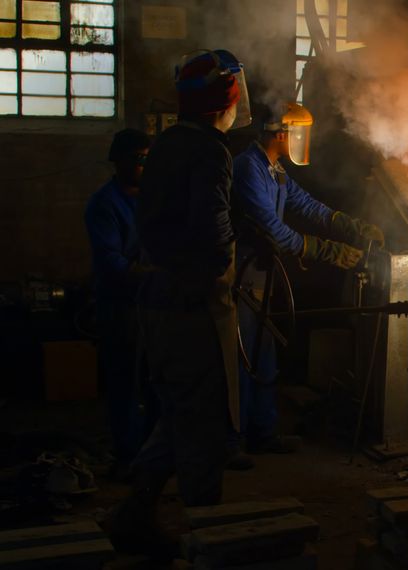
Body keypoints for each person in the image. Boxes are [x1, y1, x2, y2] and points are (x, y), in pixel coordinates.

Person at [108, 49, 252, 556]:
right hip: (193, 311)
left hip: (160, 303)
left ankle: (133, 513)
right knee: (205, 427)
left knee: (176, 415)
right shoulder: (212, 151)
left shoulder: (169, 141)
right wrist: (228, 258)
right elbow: (213, 239)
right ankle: (208, 536)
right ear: (226, 98)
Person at [229, 101, 382, 460]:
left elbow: (308, 206)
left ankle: (262, 433)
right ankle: (231, 441)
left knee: (263, 355)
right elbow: (274, 232)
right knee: (240, 359)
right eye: (298, 132)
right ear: (282, 133)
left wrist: (351, 226)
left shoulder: (275, 170)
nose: (301, 139)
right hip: (241, 275)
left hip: (262, 276)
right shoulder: (248, 169)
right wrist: (326, 251)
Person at [84, 129, 156, 477]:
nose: (145, 166)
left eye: (148, 158)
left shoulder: (153, 198)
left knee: (156, 380)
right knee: (125, 382)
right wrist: (153, 276)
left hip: (153, 304)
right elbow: (111, 262)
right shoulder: (104, 205)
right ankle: (128, 455)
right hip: (121, 306)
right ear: (121, 162)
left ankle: (154, 452)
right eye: (139, 159)